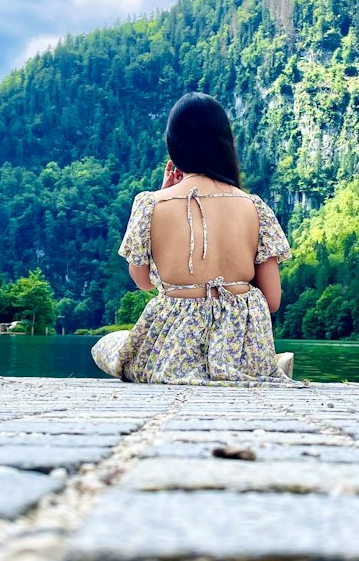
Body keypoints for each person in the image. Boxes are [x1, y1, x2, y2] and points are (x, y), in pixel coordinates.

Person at [91, 93, 295, 384]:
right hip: (241, 342)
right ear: (225, 144)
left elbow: (143, 281)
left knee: (109, 345)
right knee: (248, 353)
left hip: (175, 345)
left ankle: (211, 365)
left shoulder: (150, 204)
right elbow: (272, 300)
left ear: (173, 145)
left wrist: (162, 193)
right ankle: (260, 364)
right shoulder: (255, 206)